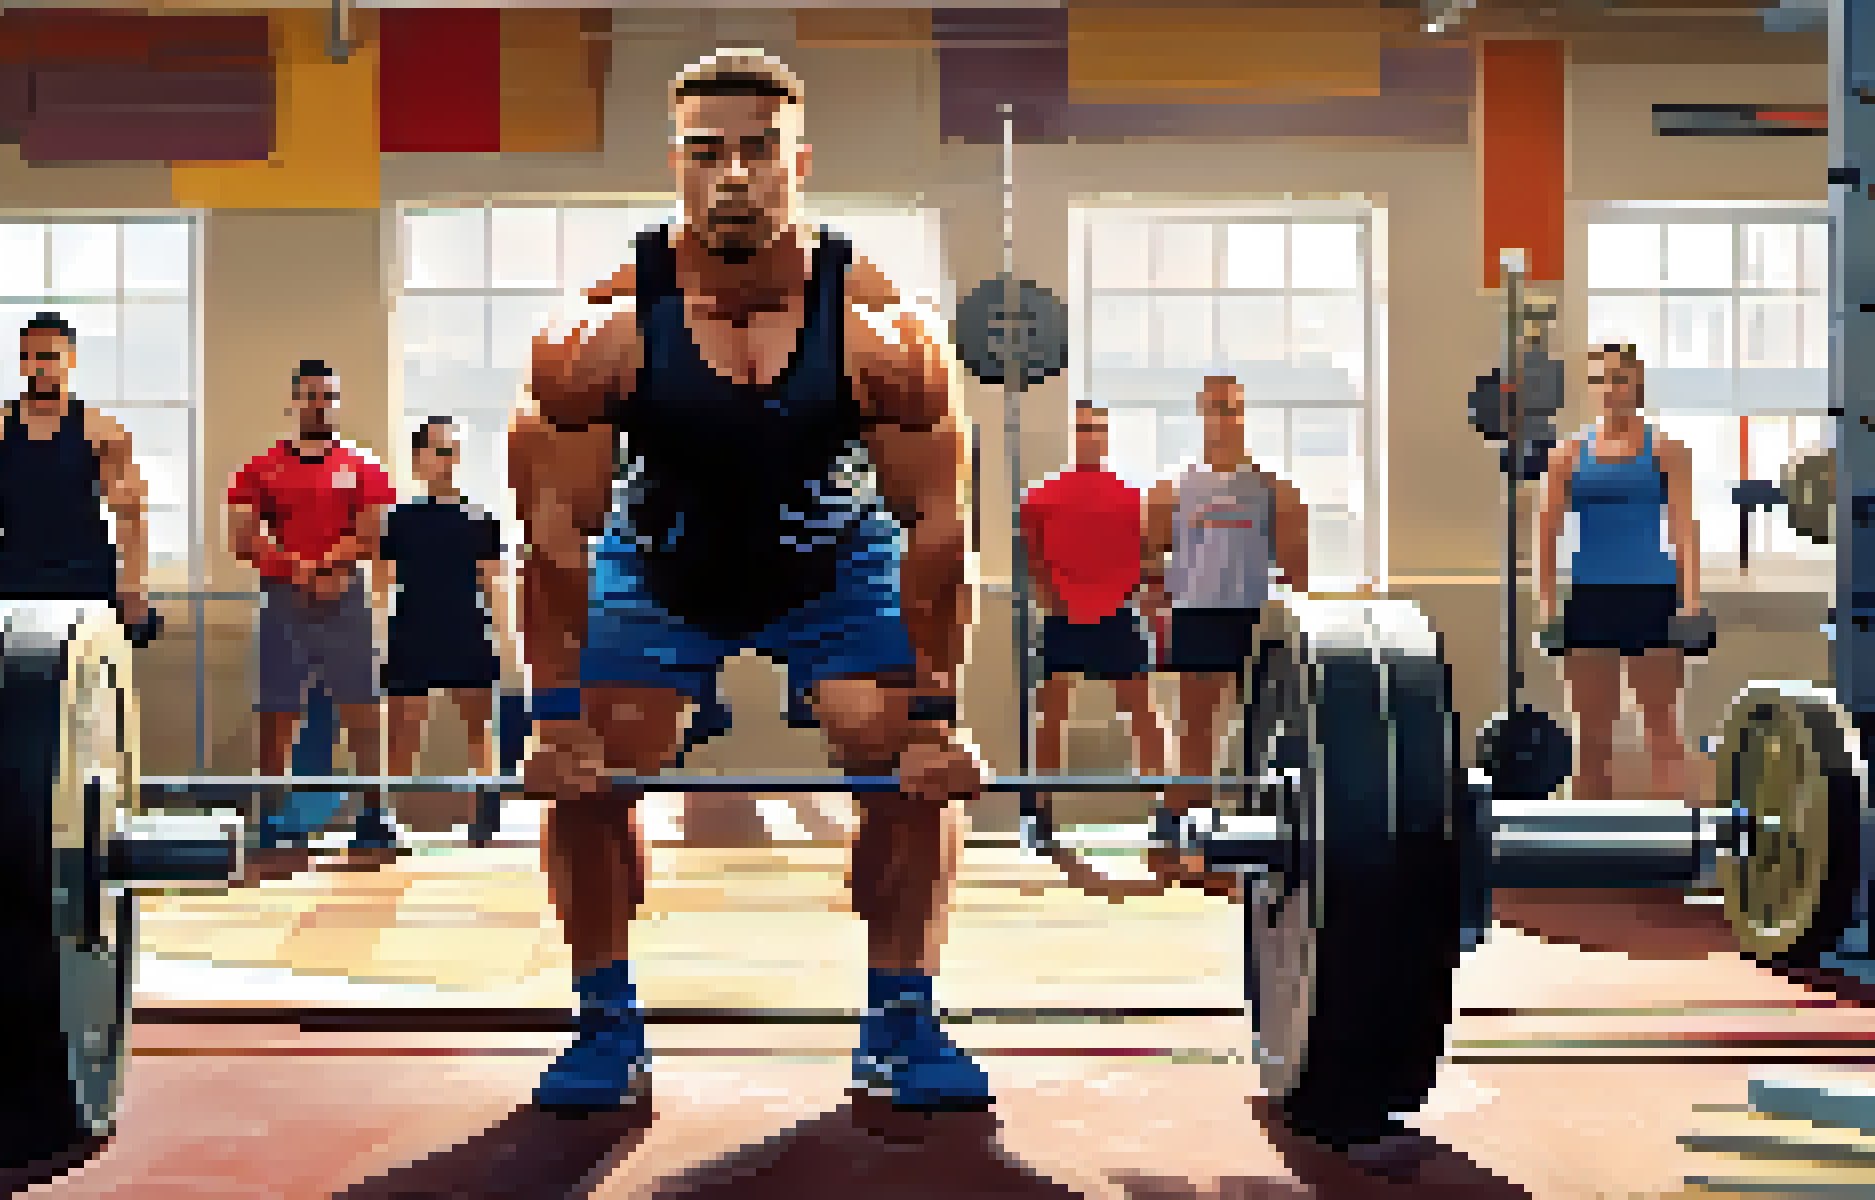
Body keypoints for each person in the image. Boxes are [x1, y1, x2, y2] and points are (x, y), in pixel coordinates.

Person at [510, 49, 987, 1115]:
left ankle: (902, 1018)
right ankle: (604, 1020)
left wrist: (937, 714)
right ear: (674, 165)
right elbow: (556, 535)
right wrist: (554, 721)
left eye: (758, 151)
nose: (734, 174)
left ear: (799, 162)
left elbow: (938, 525)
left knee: (893, 752)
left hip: (834, 562)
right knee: (600, 762)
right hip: (659, 561)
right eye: (707, 152)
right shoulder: (596, 336)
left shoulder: (887, 337)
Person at [1143, 377, 1308, 884]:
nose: (1225, 418)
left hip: (1253, 617)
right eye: (1216, 408)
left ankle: (1258, 838)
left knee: (1263, 732)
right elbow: (1151, 557)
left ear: (1243, 414)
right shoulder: (1174, 488)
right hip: (1197, 614)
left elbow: (1296, 563)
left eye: (1233, 408)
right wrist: (1158, 603)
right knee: (1197, 733)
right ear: (1201, 415)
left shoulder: (1271, 486)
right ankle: (1188, 834)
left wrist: (1292, 601)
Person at [228, 361, 396, 859]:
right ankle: (273, 821)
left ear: (337, 402)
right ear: (294, 401)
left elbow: (372, 533)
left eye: (328, 396)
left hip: (346, 596)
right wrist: (295, 568)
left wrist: (326, 566)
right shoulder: (259, 468)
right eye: (310, 396)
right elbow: (242, 536)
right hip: (283, 598)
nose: (319, 404)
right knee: (276, 713)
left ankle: (373, 816)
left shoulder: (363, 465)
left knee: (363, 710)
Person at [1535, 343, 1704, 801]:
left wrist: (1690, 603)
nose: (1610, 389)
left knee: (1663, 733)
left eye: (1619, 378)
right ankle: (1592, 848)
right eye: (1600, 380)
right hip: (1590, 601)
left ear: (1636, 385)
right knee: (1591, 740)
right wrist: (1547, 607)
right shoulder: (1567, 455)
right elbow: (1547, 536)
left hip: (1653, 597)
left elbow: (1685, 531)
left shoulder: (1668, 450)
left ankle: (1676, 849)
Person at [0, 312, 152, 631]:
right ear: (21, 362)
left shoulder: (103, 432)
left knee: (83, 675)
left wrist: (133, 593)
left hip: (88, 576)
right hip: (15, 573)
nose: (39, 366)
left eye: (49, 356)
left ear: (69, 360)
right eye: (30, 357)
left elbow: (130, 514)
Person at [1021, 405, 1165, 784]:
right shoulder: (1042, 497)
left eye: (1097, 428)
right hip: (1064, 620)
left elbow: (1147, 555)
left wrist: (1146, 592)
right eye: (1083, 428)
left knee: (1142, 710)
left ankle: (1167, 817)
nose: (1090, 436)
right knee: (1051, 715)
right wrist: (1051, 597)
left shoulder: (1132, 497)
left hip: (1116, 615)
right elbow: (1033, 556)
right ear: (1073, 435)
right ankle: (1043, 820)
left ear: (1106, 435)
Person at [380, 416, 511, 791]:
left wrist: (507, 643)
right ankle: (388, 823)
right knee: (401, 738)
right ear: (418, 459)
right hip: (411, 637)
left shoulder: (481, 519)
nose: (447, 459)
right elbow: (380, 583)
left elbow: (493, 584)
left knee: (480, 734)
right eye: (439, 451)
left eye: (453, 451)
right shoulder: (397, 520)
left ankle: (485, 820)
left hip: (466, 637)